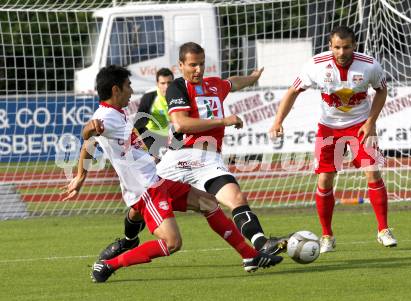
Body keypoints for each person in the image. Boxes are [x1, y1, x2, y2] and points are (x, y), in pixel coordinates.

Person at [62, 65, 283, 283]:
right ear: (115, 90)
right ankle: (109, 265)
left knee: (208, 202)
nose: (131, 91)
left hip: (157, 180)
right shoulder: (106, 116)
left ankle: (250, 256)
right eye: (128, 86)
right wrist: (88, 129)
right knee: (172, 242)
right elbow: (88, 134)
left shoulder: (117, 114)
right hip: (146, 190)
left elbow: (90, 144)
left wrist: (81, 175)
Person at [97, 43, 291, 261]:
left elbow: (232, 83)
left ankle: (261, 245)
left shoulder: (215, 86)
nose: (197, 70)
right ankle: (128, 240)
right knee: (138, 206)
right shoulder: (177, 87)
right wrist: (224, 120)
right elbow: (180, 124)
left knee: (235, 197)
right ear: (181, 65)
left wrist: (252, 78)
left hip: (209, 160)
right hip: (178, 156)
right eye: (192, 65)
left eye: (201, 64)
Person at [269, 26, 397, 253]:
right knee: (324, 182)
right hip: (328, 129)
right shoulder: (315, 65)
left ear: (354, 46)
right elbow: (292, 91)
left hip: (360, 127)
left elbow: (381, 91)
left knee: (373, 171)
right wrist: (278, 121)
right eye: (337, 47)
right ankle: (327, 235)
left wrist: (371, 122)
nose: (341, 52)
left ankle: (383, 230)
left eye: (346, 47)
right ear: (330, 46)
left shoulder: (369, 65)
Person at [134, 67, 174, 159]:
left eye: (169, 83)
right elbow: (138, 124)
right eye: (163, 83)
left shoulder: (178, 95)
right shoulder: (149, 97)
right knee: (156, 160)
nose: (166, 86)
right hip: (153, 135)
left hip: (173, 136)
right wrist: (145, 141)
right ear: (157, 84)